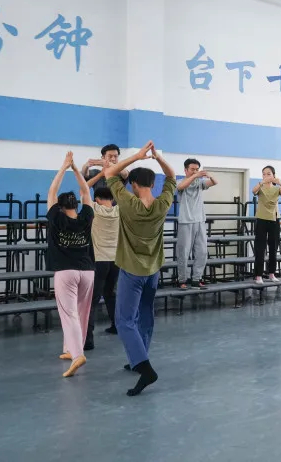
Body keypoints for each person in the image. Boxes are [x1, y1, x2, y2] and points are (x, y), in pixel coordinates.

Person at [105, 141, 177, 396]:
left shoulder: (128, 203)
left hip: (132, 271)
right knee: (145, 315)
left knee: (124, 320)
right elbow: (172, 176)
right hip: (153, 271)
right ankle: (139, 356)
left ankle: (145, 369)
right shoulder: (163, 204)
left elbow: (109, 174)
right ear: (153, 184)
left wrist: (137, 156)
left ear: (134, 185)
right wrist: (157, 157)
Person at [47, 152, 95, 378]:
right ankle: (71, 349)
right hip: (87, 272)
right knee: (82, 312)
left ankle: (77, 355)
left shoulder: (56, 217)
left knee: (69, 314)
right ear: (76, 204)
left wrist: (63, 167)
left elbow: (52, 191)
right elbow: (86, 191)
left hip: (65, 272)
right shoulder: (86, 217)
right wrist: (76, 169)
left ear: (59, 205)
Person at [84, 162, 120, 351]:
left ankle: (88, 339)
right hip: (116, 260)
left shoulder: (94, 210)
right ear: (112, 199)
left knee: (92, 299)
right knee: (111, 293)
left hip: (98, 260)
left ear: (96, 199)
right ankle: (116, 325)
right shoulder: (119, 211)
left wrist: (99, 175)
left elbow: (84, 188)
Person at [176, 158, 218, 289]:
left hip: (200, 220)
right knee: (184, 252)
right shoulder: (180, 181)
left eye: (197, 169)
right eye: (192, 169)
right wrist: (195, 175)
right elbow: (180, 187)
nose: (195, 171)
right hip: (186, 221)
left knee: (202, 252)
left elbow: (215, 182)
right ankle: (182, 280)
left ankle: (196, 279)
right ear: (185, 170)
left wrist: (209, 175)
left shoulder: (200, 183)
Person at [252, 166, 281, 285]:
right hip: (261, 219)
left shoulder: (276, 189)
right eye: (264, 174)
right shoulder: (260, 187)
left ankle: (272, 273)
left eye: (268, 174)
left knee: (273, 247)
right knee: (260, 248)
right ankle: (258, 275)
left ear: (273, 175)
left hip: (274, 219)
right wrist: (262, 182)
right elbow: (253, 191)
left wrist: (279, 182)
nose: (266, 176)